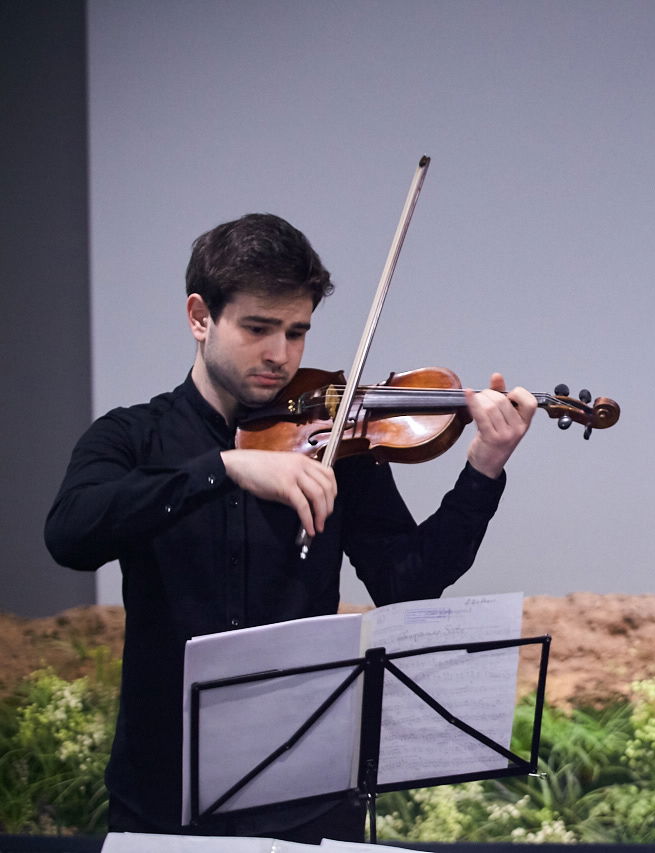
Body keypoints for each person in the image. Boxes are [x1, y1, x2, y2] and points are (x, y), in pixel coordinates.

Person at [44, 213, 536, 842]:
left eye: (297, 331)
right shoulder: (133, 437)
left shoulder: (330, 440)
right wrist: (223, 469)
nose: (281, 354)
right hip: (165, 797)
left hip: (308, 805)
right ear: (200, 317)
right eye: (257, 329)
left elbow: (404, 581)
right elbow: (70, 534)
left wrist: (482, 471)